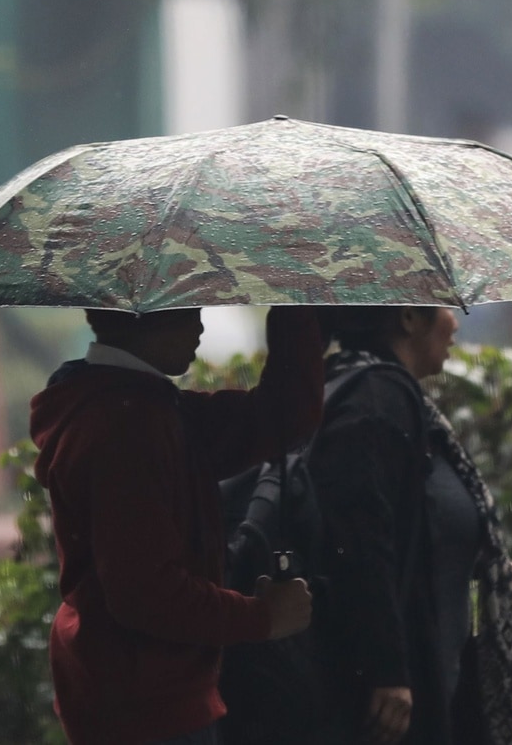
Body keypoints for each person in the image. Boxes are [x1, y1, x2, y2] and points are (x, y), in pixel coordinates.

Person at [30, 305, 325, 745]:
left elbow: (280, 416)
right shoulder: (125, 427)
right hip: (145, 708)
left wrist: (294, 303)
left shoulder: (143, 408)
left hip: (141, 695)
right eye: (188, 313)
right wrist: (263, 617)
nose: (200, 327)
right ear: (145, 317)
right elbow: (146, 593)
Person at [308, 305, 512, 745]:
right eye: (444, 308)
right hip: (390, 704)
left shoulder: (388, 393)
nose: (455, 322)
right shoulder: (374, 398)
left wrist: (477, 556)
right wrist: (387, 672)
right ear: (409, 318)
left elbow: (414, 519)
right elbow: (361, 541)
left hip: (423, 680)